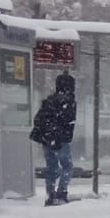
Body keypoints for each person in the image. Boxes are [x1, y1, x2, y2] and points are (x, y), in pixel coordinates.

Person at [30, 72, 78, 205]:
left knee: (51, 168)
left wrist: (49, 133)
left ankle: (50, 194)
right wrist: (62, 135)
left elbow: (39, 119)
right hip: (62, 139)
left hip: (47, 139)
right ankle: (61, 193)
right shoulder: (69, 101)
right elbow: (68, 122)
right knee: (67, 166)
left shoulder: (49, 100)